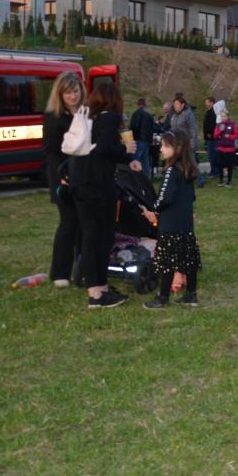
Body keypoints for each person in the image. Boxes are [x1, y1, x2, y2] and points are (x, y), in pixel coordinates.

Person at [68, 81, 142, 308]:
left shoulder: (87, 118)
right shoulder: (110, 118)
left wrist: (126, 158)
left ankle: (100, 287)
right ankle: (97, 294)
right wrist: (126, 150)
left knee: (91, 237)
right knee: (100, 238)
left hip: (80, 185)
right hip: (98, 187)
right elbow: (103, 149)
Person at [142, 131, 202, 308]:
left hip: (170, 224)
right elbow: (191, 197)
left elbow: (165, 197)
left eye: (165, 146)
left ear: (177, 148)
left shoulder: (171, 171)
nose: (161, 149)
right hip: (185, 224)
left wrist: (154, 208)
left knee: (166, 262)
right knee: (188, 260)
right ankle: (191, 294)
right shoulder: (187, 171)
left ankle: (162, 298)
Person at [42, 71, 85, 288]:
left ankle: (82, 268)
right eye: (68, 92)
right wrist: (62, 176)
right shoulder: (54, 117)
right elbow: (50, 152)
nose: (73, 96)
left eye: (75, 91)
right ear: (60, 94)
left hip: (84, 176)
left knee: (83, 224)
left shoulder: (85, 113)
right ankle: (60, 272)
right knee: (68, 223)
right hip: (63, 178)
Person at [128, 97, 155, 177]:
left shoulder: (136, 113)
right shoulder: (149, 115)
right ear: (145, 105)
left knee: (135, 160)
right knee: (145, 162)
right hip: (147, 141)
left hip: (138, 139)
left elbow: (133, 126)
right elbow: (152, 128)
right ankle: (146, 179)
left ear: (137, 105)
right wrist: (150, 140)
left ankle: (133, 178)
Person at [213, 109, 238, 187]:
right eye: (222, 116)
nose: (223, 118)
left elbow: (236, 135)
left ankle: (228, 181)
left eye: (224, 116)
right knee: (220, 165)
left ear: (228, 116)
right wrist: (220, 131)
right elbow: (215, 136)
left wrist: (230, 136)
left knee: (229, 165)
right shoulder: (218, 125)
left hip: (230, 149)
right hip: (221, 148)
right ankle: (221, 180)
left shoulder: (232, 125)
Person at [201, 96, 216, 188]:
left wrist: (210, 133)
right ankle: (213, 170)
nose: (205, 104)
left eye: (207, 102)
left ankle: (214, 171)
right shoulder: (208, 111)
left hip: (212, 137)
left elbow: (212, 124)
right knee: (210, 154)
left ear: (211, 102)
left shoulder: (213, 112)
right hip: (208, 137)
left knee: (212, 154)